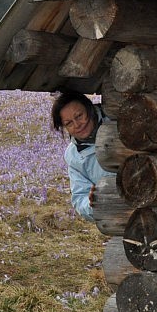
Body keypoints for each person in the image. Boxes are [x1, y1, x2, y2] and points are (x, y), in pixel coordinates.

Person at [51, 91, 115, 221]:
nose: (77, 125)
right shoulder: (73, 156)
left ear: (89, 108)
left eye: (79, 115)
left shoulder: (115, 120)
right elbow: (80, 199)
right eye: (69, 123)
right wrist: (93, 204)